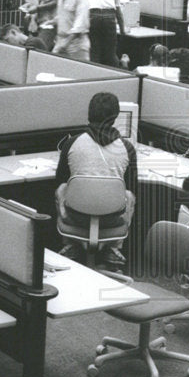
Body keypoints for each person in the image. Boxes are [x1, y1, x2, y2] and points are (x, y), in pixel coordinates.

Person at [54, 92, 136, 268]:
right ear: (115, 118)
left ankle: (70, 244)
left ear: (89, 114)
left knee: (61, 188)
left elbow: (60, 179)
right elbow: (132, 185)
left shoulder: (72, 143)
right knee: (129, 195)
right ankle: (114, 247)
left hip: (76, 216)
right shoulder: (127, 148)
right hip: (112, 219)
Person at [81, 0, 126, 66]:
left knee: (94, 52)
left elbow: (82, 3)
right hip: (109, 17)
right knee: (111, 54)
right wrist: (122, 31)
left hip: (92, 16)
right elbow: (118, 13)